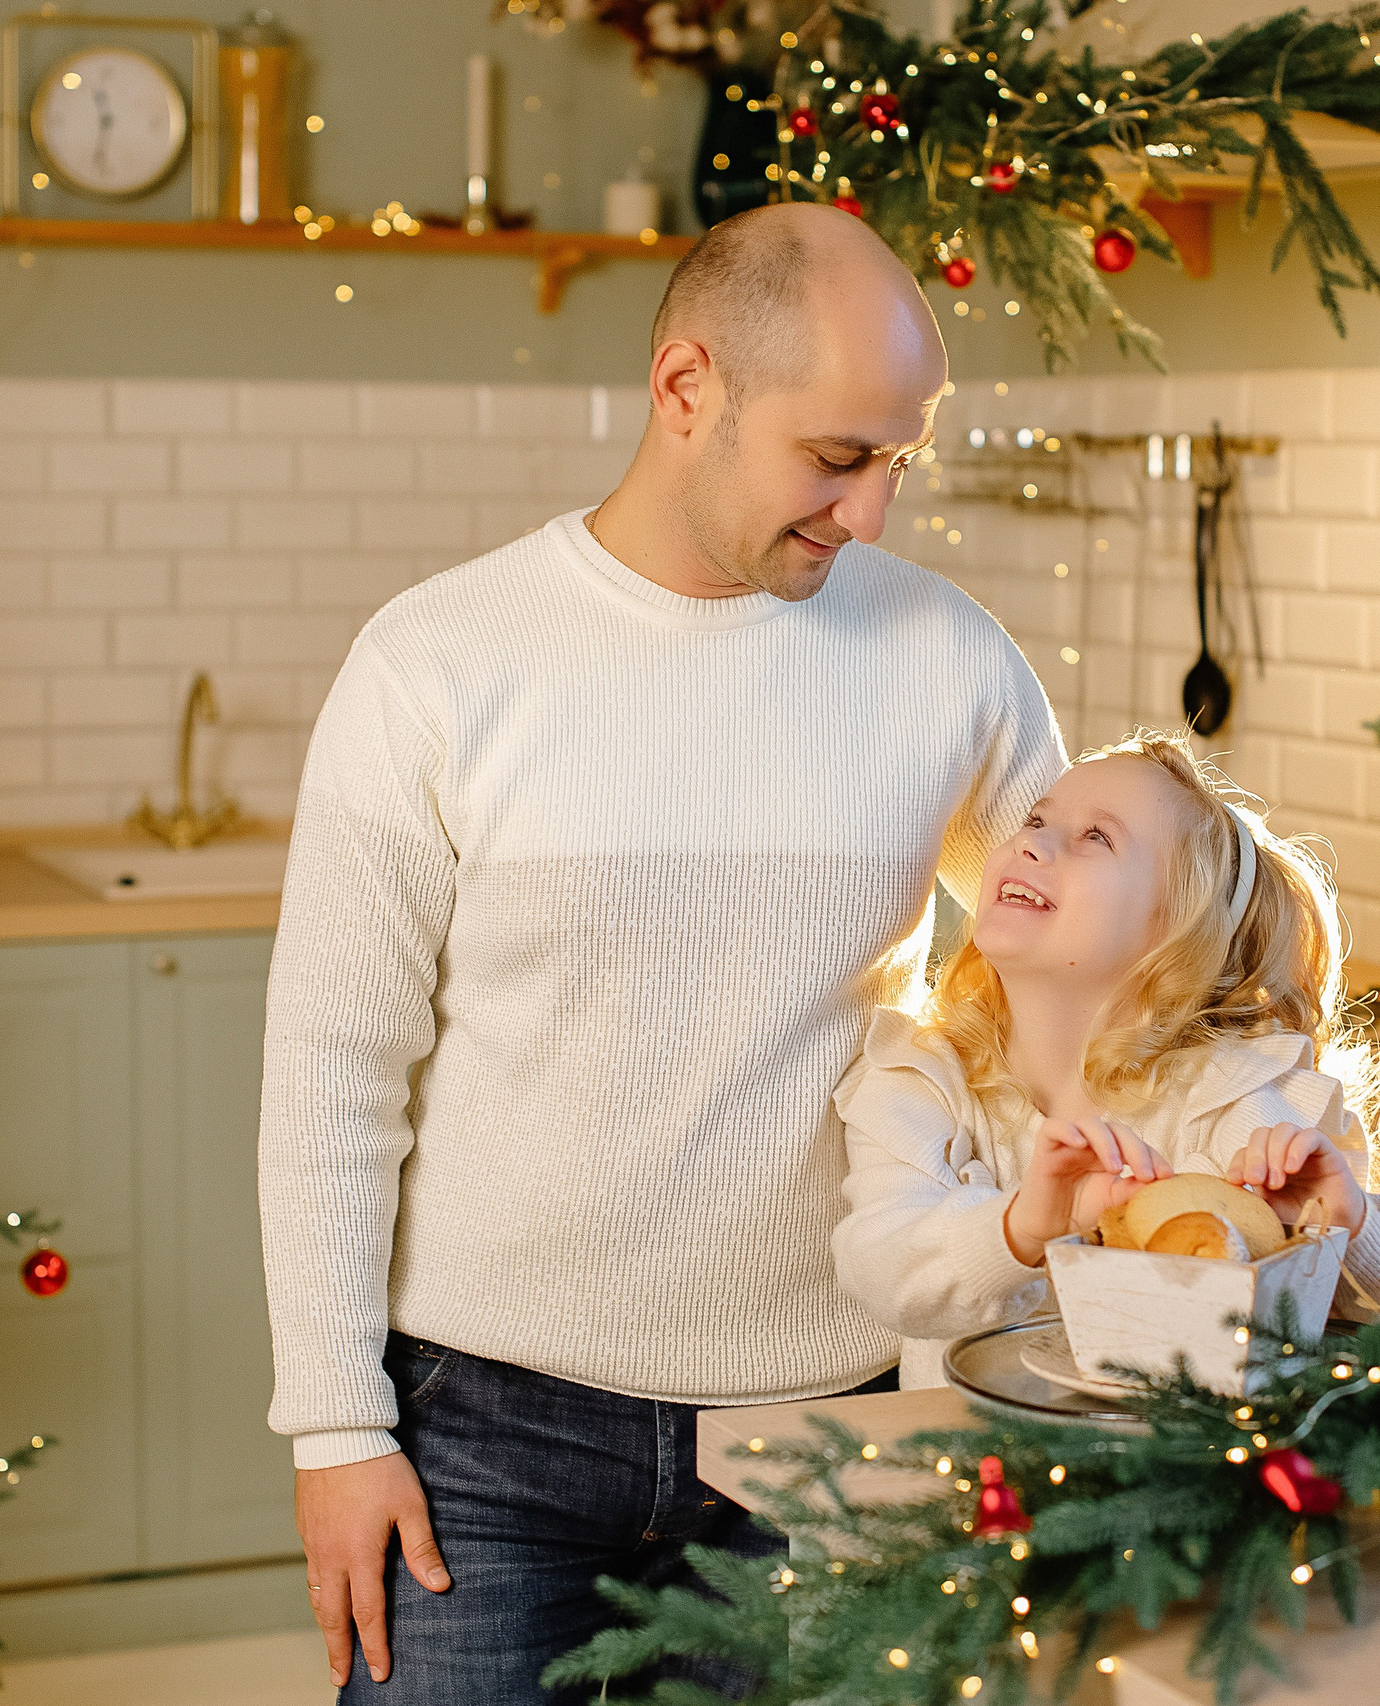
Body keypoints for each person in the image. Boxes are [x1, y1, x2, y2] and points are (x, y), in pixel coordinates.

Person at [256, 200, 1066, 1704]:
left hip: (831, 1433)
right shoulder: (438, 664)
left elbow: (1099, 959)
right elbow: (330, 1072)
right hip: (482, 1436)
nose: (872, 511)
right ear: (688, 388)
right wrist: (336, 1429)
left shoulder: (951, 660)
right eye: (835, 458)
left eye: (900, 459)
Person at [833, 733, 1380, 1387]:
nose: (1031, 843)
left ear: (1178, 930)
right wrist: (1025, 1224)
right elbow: (880, 1271)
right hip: (963, 1478)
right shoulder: (918, 1078)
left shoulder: (1235, 1099)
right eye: (1037, 819)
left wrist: (1345, 1230)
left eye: (1097, 837)